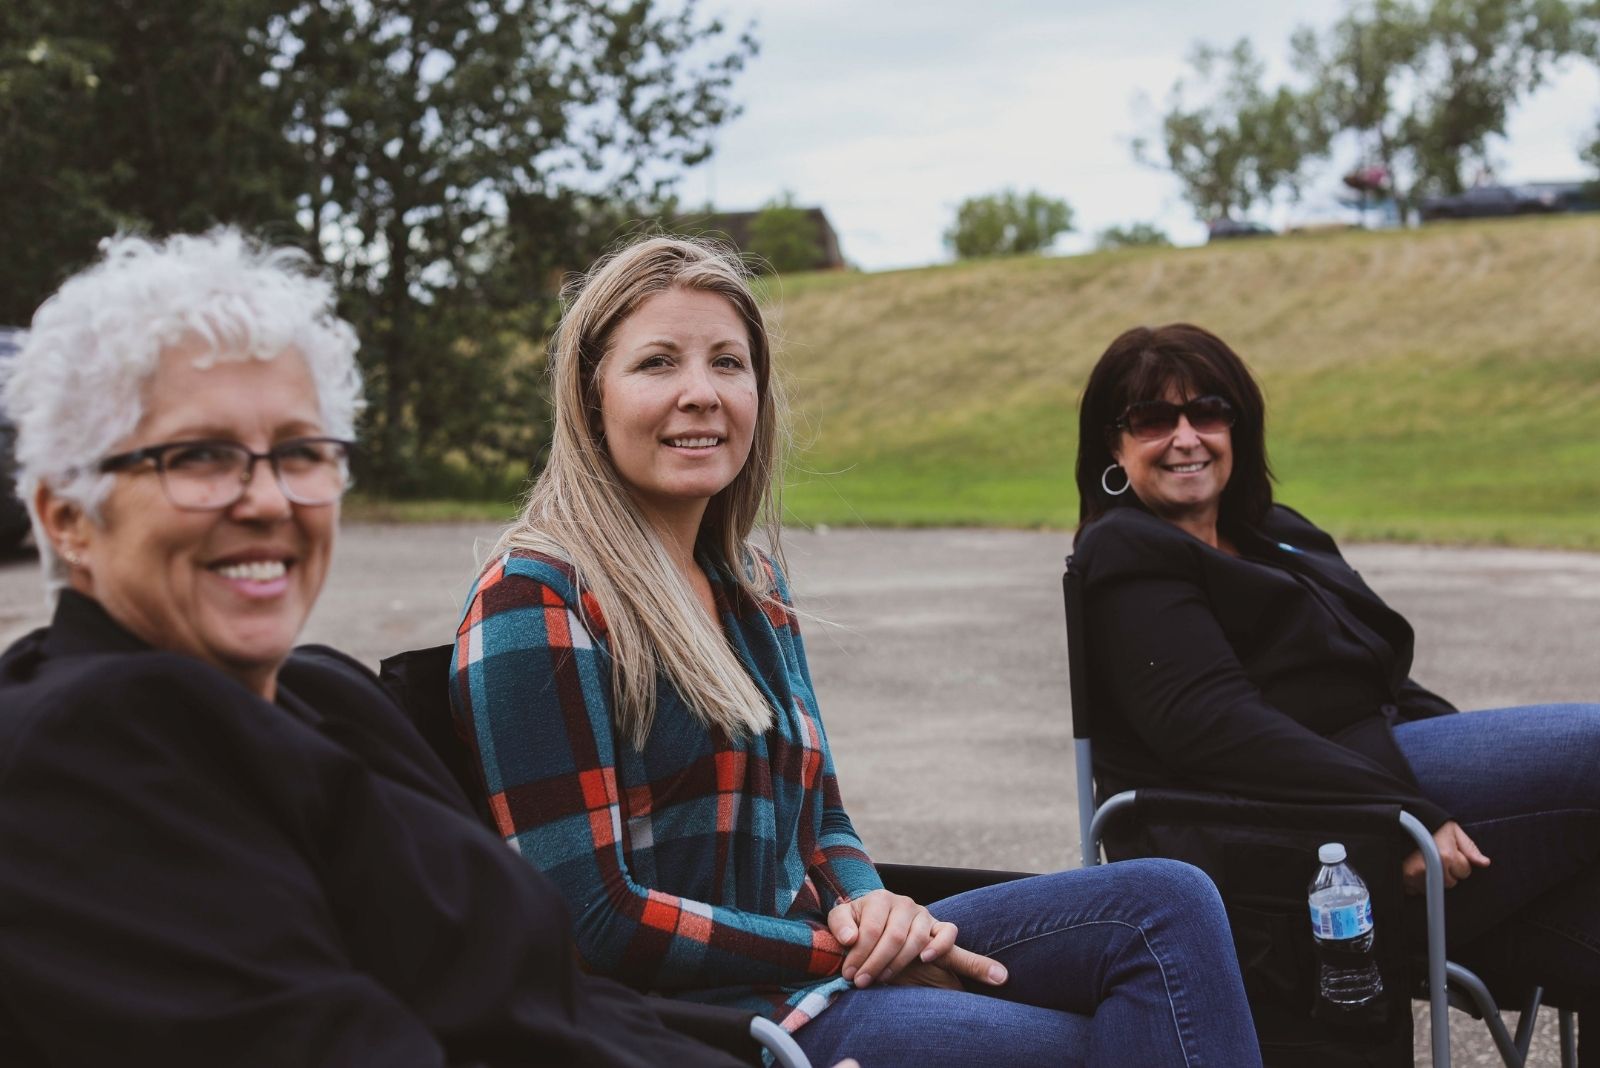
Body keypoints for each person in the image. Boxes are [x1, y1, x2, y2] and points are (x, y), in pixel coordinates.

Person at [451, 236, 1263, 1068]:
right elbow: (595, 918)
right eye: (658, 363)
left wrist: (876, 908)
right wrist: (847, 953)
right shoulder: (537, 599)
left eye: (728, 364)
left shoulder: (748, 584)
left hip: (820, 965)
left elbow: (822, 817)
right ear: (591, 402)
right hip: (704, 1022)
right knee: (1106, 1042)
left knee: (1167, 903)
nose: (701, 394)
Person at [0, 229, 771, 1067]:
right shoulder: (76, 755)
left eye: (300, 452)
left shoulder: (326, 700)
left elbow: (551, 995)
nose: (269, 501)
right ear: (66, 519)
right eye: (199, 458)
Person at [1071, 322, 1599, 1049]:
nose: (1186, 436)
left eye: (1209, 412)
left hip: (1374, 769)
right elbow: (1208, 722)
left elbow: (1377, 672)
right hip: (1284, 832)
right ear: (1114, 444)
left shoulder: (1274, 531)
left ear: (1240, 424)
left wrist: (1480, 768)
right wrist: (1403, 809)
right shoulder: (1127, 551)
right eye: (1154, 420)